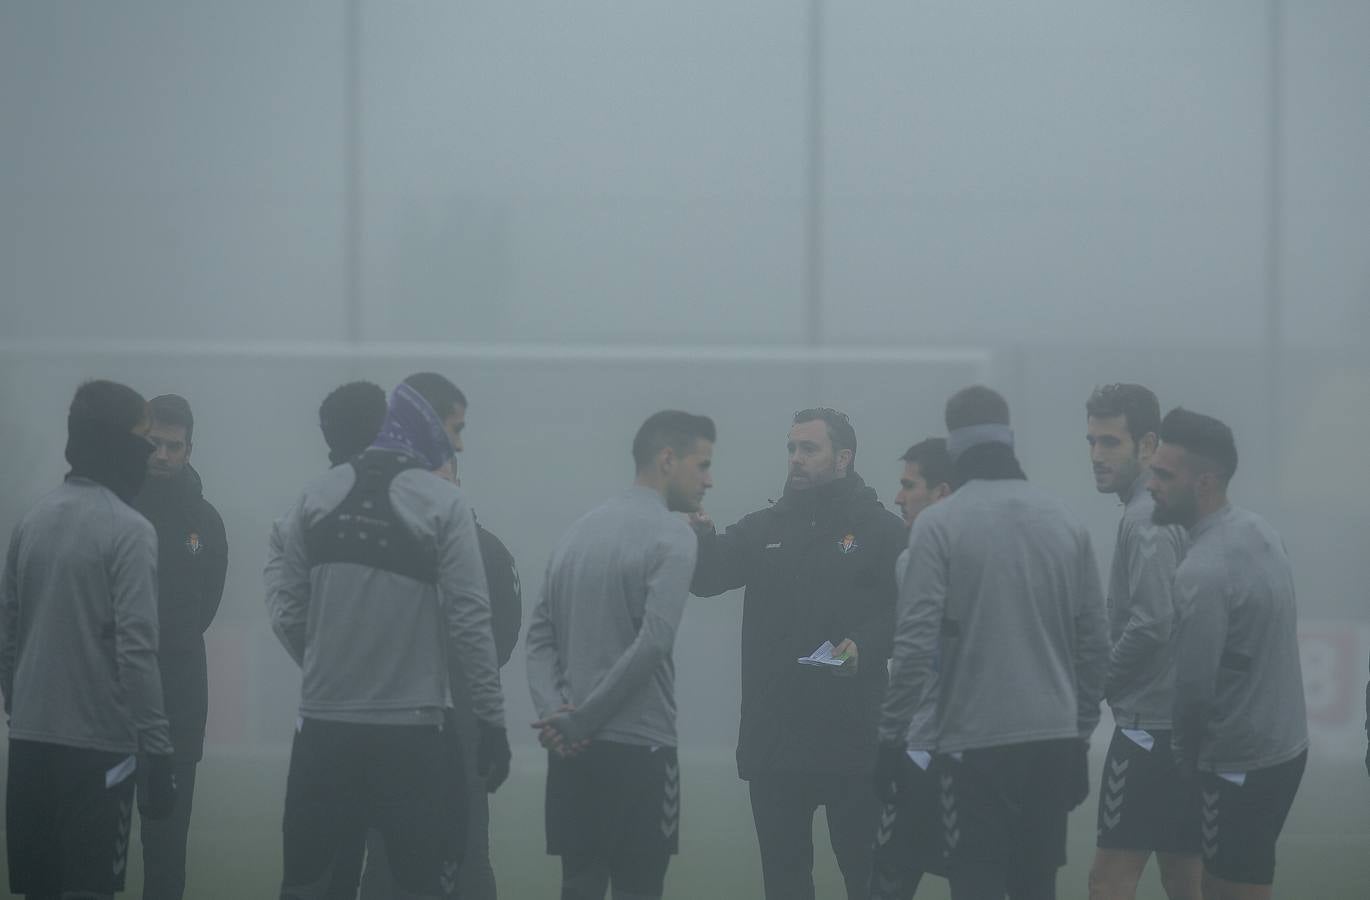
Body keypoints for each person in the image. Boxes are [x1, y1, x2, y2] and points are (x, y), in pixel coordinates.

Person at [267, 376, 509, 900]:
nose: (458, 444)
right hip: (412, 728)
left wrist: (329, 665)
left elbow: (285, 610)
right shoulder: (440, 505)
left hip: (327, 725)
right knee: (419, 879)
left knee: (313, 876)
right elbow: (471, 622)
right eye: (452, 429)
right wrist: (490, 720)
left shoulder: (316, 496)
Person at [878, 385, 1108, 900]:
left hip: (974, 747)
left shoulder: (940, 526)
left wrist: (892, 739)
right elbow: (1095, 644)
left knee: (975, 883)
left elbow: (914, 648)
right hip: (1051, 741)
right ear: (1009, 439)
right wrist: (1078, 735)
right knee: (1035, 887)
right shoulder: (1065, 521)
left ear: (955, 447)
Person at [690, 408, 906, 900]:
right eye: (791, 448)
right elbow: (706, 580)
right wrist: (701, 537)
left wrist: (869, 646)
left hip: (855, 740)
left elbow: (918, 610)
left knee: (870, 880)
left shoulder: (881, 531)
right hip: (777, 744)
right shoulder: (765, 527)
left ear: (843, 458)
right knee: (785, 885)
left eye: (809, 449)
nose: (796, 459)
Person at [525, 410, 714, 900]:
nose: (709, 481)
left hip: (574, 751)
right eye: (703, 465)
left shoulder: (577, 533)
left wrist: (555, 713)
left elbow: (539, 635)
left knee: (579, 886)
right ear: (667, 459)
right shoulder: (674, 534)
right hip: (639, 749)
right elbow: (654, 642)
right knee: (639, 888)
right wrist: (583, 720)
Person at [2, 380, 178, 898]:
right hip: (99, 751)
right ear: (116, 442)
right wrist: (158, 749)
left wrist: (19, 705)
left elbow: (8, 632)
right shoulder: (129, 530)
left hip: (30, 743)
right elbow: (137, 652)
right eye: (143, 437)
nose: (150, 452)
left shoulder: (33, 519)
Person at [1150, 408, 1308, 900]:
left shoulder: (1202, 569)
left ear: (1205, 482)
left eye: (1163, 474)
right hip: (1286, 746)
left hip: (1238, 760)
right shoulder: (1260, 531)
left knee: (1228, 889)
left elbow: (1194, 690)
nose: (1151, 484)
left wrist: (1185, 759)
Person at [1082, 384, 1199, 900]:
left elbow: (1152, 622)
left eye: (1110, 442)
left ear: (1148, 445)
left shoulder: (1144, 515)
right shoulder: (1164, 507)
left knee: (1109, 880)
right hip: (1185, 726)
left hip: (1150, 730)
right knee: (1183, 876)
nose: (1096, 456)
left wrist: (1099, 683)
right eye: (1091, 442)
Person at [128, 394, 229, 900]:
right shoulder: (111, 509)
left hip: (178, 705)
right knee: (91, 851)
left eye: (173, 445)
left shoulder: (206, 524)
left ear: (189, 450)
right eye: (153, 443)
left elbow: (205, 608)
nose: (162, 455)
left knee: (166, 856)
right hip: (108, 707)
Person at [870, 437, 954, 900]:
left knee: (888, 881)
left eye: (908, 485)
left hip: (924, 750)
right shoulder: (998, 553)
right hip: (990, 754)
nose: (899, 496)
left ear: (941, 492)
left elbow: (913, 661)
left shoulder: (917, 557)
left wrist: (890, 740)